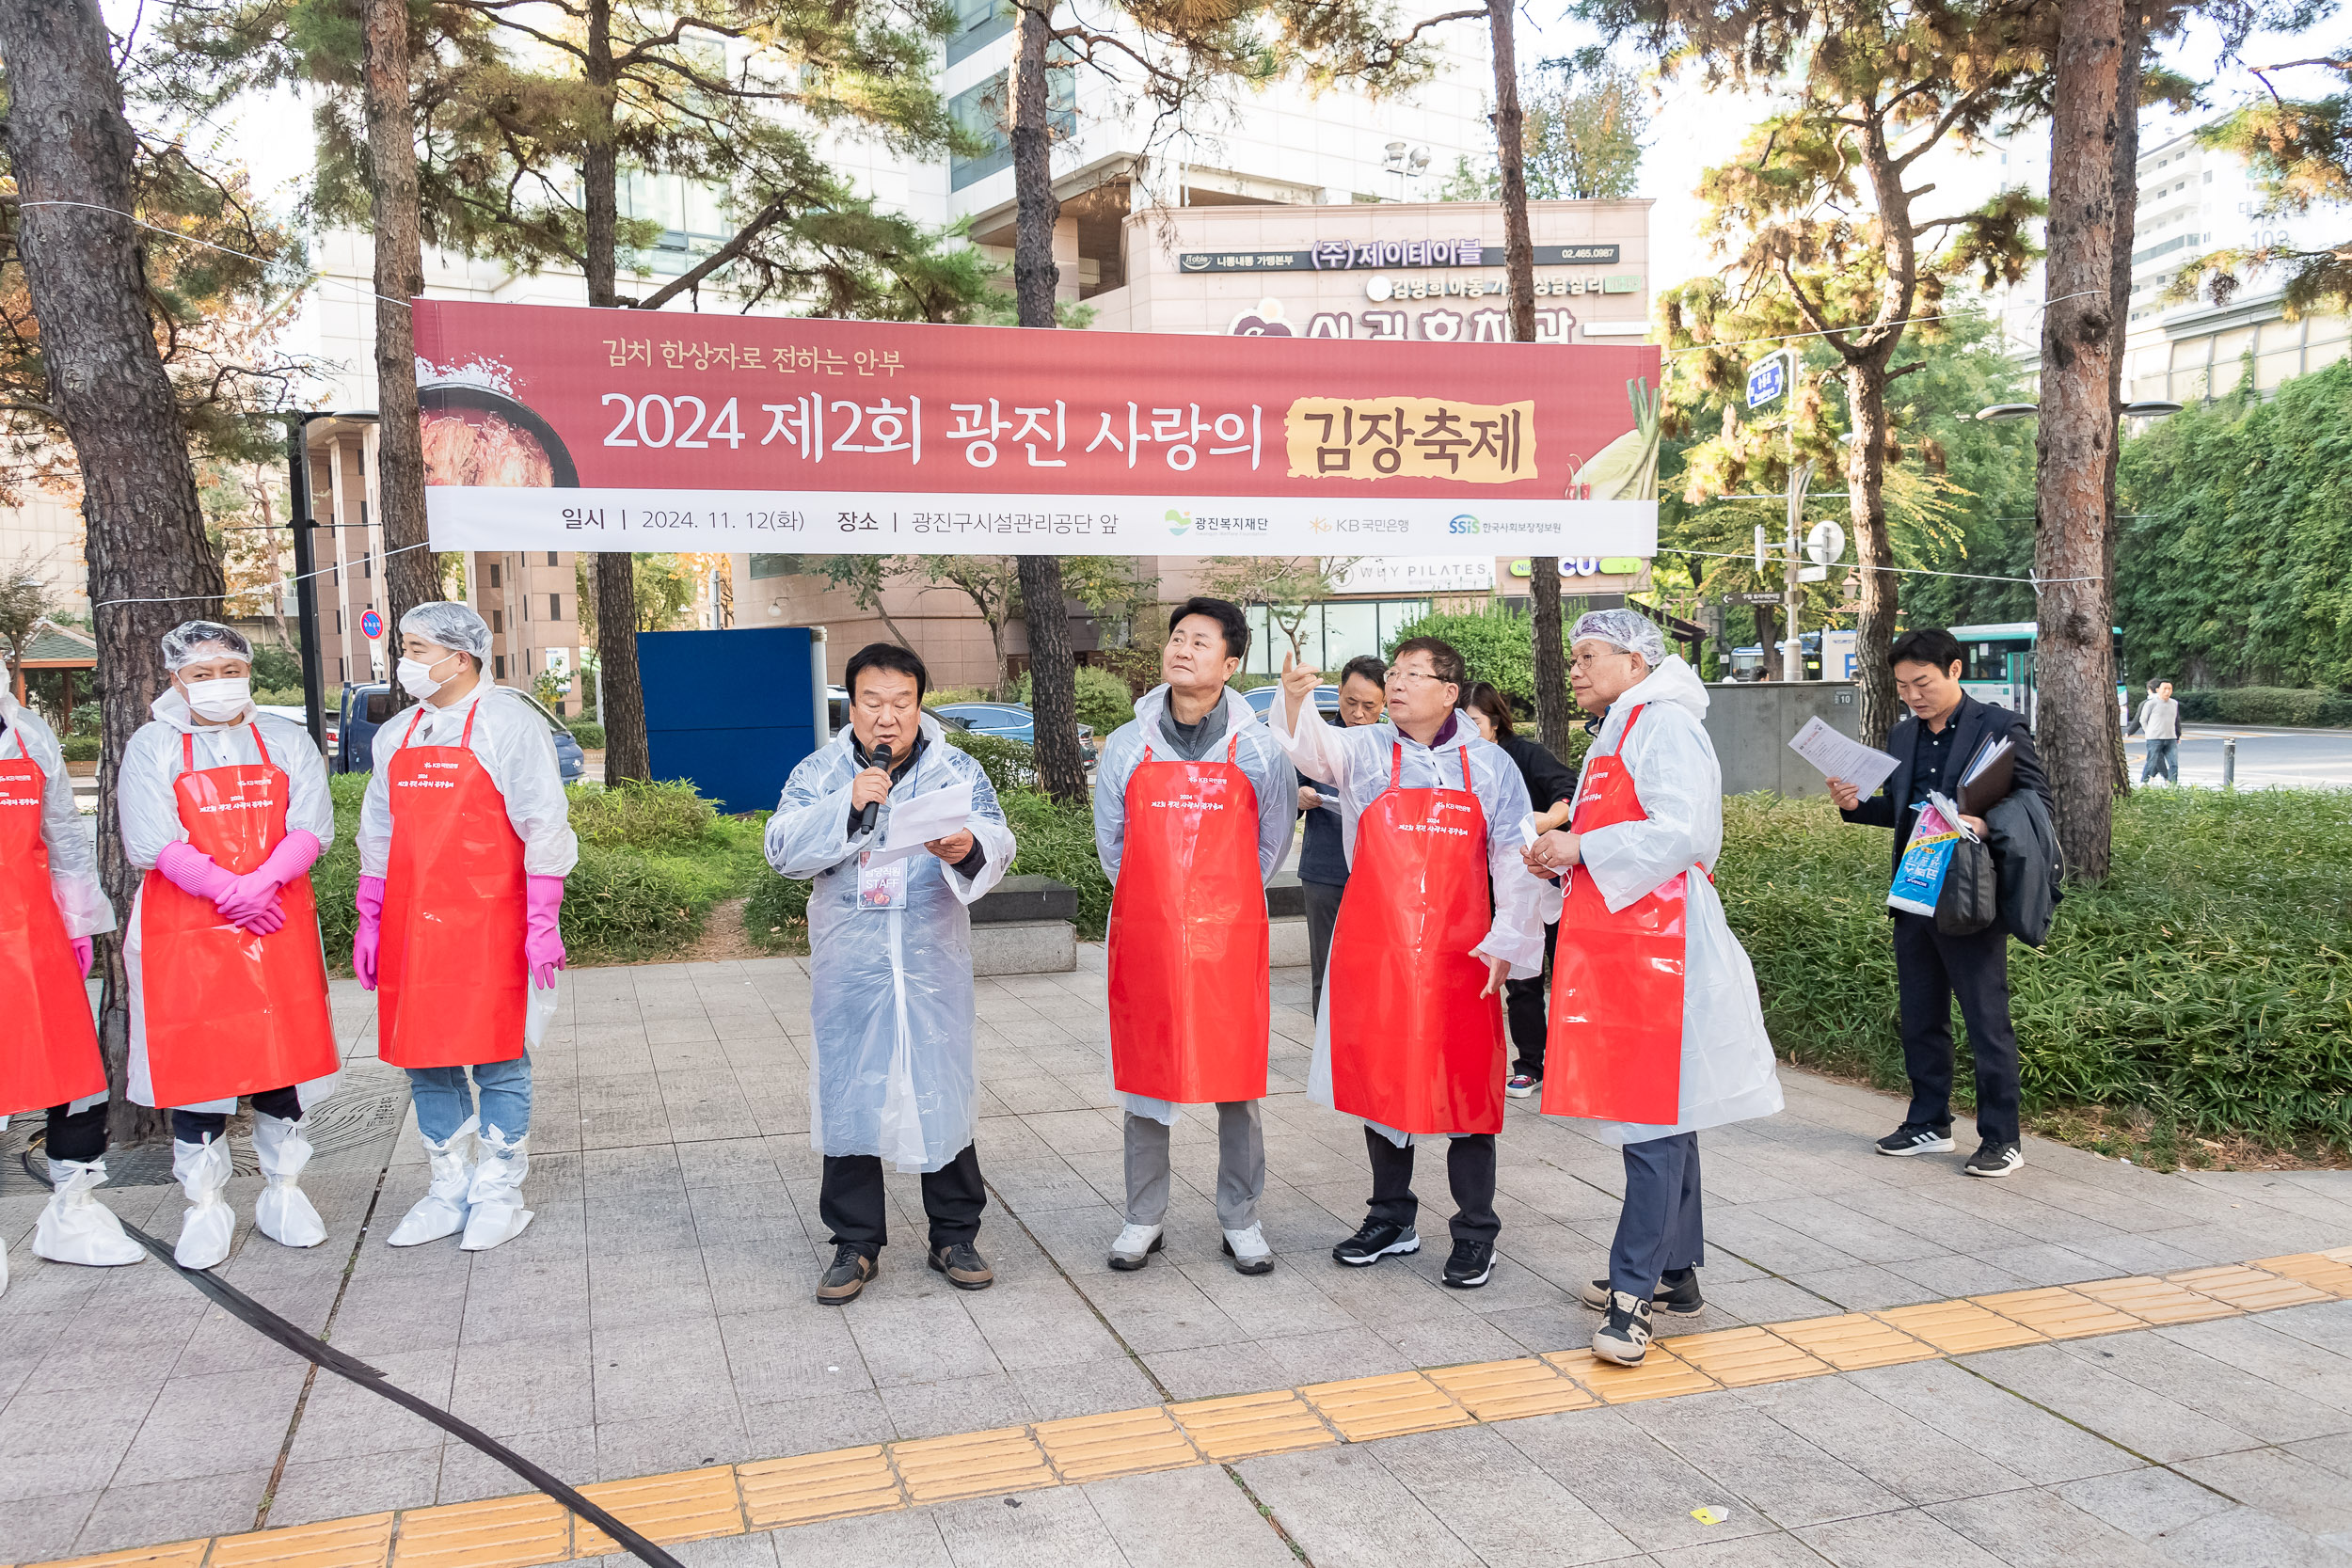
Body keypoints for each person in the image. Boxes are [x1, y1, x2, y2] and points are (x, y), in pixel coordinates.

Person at [1523, 610, 1782, 1367]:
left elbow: (1686, 832)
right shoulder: (1625, 724)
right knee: (1669, 1114)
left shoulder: (1662, 723)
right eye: (1572, 657)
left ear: (1635, 661)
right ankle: (1677, 1276)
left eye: (1588, 655)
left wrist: (1582, 844)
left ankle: (1632, 1299)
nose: (1575, 669)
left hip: (1658, 945)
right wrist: (1565, 854)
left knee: (1651, 1118)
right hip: (1627, 938)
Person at [1269, 638, 1545, 1290]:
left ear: (1450, 692)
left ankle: (1476, 1230)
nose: (1395, 685)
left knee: (1466, 1090)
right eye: (1393, 673)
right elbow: (1312, 751)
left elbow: (1511, 854)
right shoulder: (1366, 750)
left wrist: (1508, 940)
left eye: (1412, 675)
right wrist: (1294, 697)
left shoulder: (1489, 765)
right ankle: (1391, 1217)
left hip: (1462, 953)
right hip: (1382, 947)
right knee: (1383, 1081)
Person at [768, 642, 1016, 1305]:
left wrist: (969, 847)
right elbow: (782, 847)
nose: (887, 717)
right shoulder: (819, 771)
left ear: (919, 704)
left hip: (931, 958)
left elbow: (999, 840)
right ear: (852, 705)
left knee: (940, 1082)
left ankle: (955, 1233)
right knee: (851, 1088)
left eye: (901, 703)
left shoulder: (954, 769)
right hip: (853, 961)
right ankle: (855, 1242)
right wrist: (846, 805)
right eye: (872, 702)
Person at [357, 602, 575, 1253]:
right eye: (406, 647)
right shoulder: (397, 734)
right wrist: (370, 915)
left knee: (499, 1056)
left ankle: (499, 1190)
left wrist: (542, 919)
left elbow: (544, 823)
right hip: (412, 923)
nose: (407, 661)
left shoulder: (508, 725)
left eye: (418, 649)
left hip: (491, 920)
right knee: (426, 1058)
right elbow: (378, 830)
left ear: (461, 655)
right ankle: (447, 1185)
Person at [119, 621, 339, 1269]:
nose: (218, 684)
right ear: (174, 679)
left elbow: (312, 825)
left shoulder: (284, 738)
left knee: (281, 1063)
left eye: (229, 670)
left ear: (248, 670)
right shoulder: (154, 745)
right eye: (201, 673)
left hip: (276, 922)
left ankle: (284, 1192)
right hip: (188, 934)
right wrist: (228, 890)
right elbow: (153, 840)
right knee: (199, 1071)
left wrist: (264, 882)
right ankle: (206, 1205)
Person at [1095, 598, 1295, 1275]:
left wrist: (1217, 905)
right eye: (1176, 637)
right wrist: (1164, 906)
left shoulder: (1260, 747)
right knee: (1148, 1073)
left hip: (1229, 937)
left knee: (1236, 1077)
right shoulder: (1127, 745)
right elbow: (1112, 847)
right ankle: (1142, 1215)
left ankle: (1241, 1217)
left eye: (1200, 641)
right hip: (1148, 934)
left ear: (1230, 662)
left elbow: (1271, 843)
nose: (1182, 649)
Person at [1827, 626, 2050, 1180]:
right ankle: (1929, 1122)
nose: (1912, 695)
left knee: (1985, 1018)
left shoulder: (1997, 726)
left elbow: (2037, 798)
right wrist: (1856, 806)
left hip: (1970, 894)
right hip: (1913, 891)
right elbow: (1901, 812)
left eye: (1921, 682)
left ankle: (2002, 1137)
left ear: (1954, 671)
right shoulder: (1902, 737)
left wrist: (1985, 820)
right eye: (1902, 686)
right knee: (1921, 1017)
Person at [2, 689, 141, 1291]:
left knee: (73, 1074)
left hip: (32, 930)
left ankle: (74, 1208)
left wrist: (79, 915)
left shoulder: (25, 734)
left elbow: (61, 831)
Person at [1463, 681, 1577, 1099]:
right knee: (1522, 979)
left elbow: (1570, 792)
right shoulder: (1458, 763)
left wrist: (1545, 822)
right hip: (1499, 889)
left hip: (1549, 881)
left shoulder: (1524, 754)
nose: (1468, 730)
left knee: (1568, 974)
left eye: (1474, 721)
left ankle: (1573, 1063)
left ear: (1495, 722)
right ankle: (1530, 1064)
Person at [1296, 656, 1386, 1019]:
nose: (1359, 714)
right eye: (1351, 702)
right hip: (1325, 869)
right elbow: (1284, 796)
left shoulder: (1393, 745)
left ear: (1385, 702)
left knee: (1377, 967)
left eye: (1369, 705)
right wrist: (1298, 795)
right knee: (1327, 966)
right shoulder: (1317, 741)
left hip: (1380, 873)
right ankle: (1327, 1059)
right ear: (1338, 693)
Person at [2137, 680, 2181, 784]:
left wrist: (2178, 735)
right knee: (2151, 762)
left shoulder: (2174, 703)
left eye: (2169, 689)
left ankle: (2173, 785)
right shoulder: (2151, 703)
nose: (2167, 691)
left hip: (2171, 738)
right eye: (2164, 689)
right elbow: (2143, 719)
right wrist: (2149, 732)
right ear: (2157, 690)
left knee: (2173, 764)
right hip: (2154, 738)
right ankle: (2144, 783)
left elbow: (2176, 721)